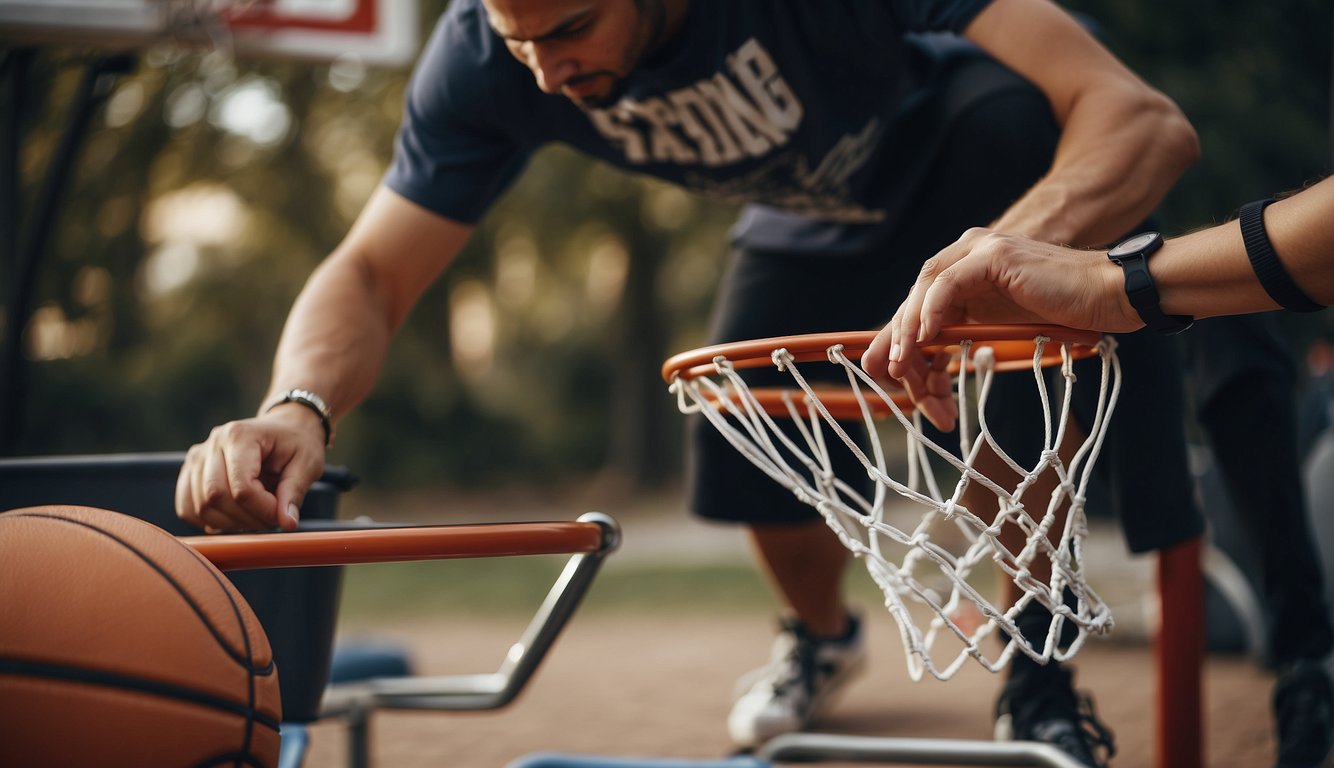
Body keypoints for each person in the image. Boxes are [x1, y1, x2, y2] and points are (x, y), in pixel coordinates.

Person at [175, 0, 1206, 764]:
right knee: (740, 447)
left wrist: (997, 259)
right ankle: (818, 637)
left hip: (959, 153)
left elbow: (1141, 121)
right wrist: (295, 403)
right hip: (806, 220)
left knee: (1011, 171)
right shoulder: (486, 58)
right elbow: (370, 270)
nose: (541, 70)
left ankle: (1035, 673)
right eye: (517, 37)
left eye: (569, 28)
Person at [865, 176, 1334, 767]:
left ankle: (1306, 662)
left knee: (1238, 332)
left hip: (1117, 254)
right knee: (1013, 336)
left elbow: (1164, 135)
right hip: (1059, 275)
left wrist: (1117, 279)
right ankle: (1033, 673)